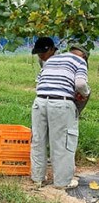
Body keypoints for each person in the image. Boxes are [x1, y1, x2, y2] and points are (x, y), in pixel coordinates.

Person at [31, 43, 90, 189]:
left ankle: (38, 179)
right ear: (83, 56)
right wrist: (86, 93)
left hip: (39, 102)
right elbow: (81, 84)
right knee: (63, 143)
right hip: (61, 104)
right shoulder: (79, 61)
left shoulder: (51, 60)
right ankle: (62, 182)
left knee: (38, 140)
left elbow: (39, 83)